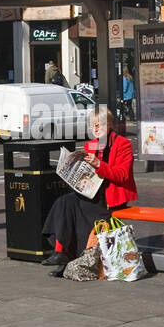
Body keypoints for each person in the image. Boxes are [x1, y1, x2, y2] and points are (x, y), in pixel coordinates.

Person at [42, 105, 138, 277]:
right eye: (92, 125)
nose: (95, 129)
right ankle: (61, 253)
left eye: (99, 124)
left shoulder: (123, 145)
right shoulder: (89, 146)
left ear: (109, 125)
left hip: (110, 198)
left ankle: (68, 258)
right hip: (91, 193)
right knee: (64, 202)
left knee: (76, 213)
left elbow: (122, 175)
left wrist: (99, 164)